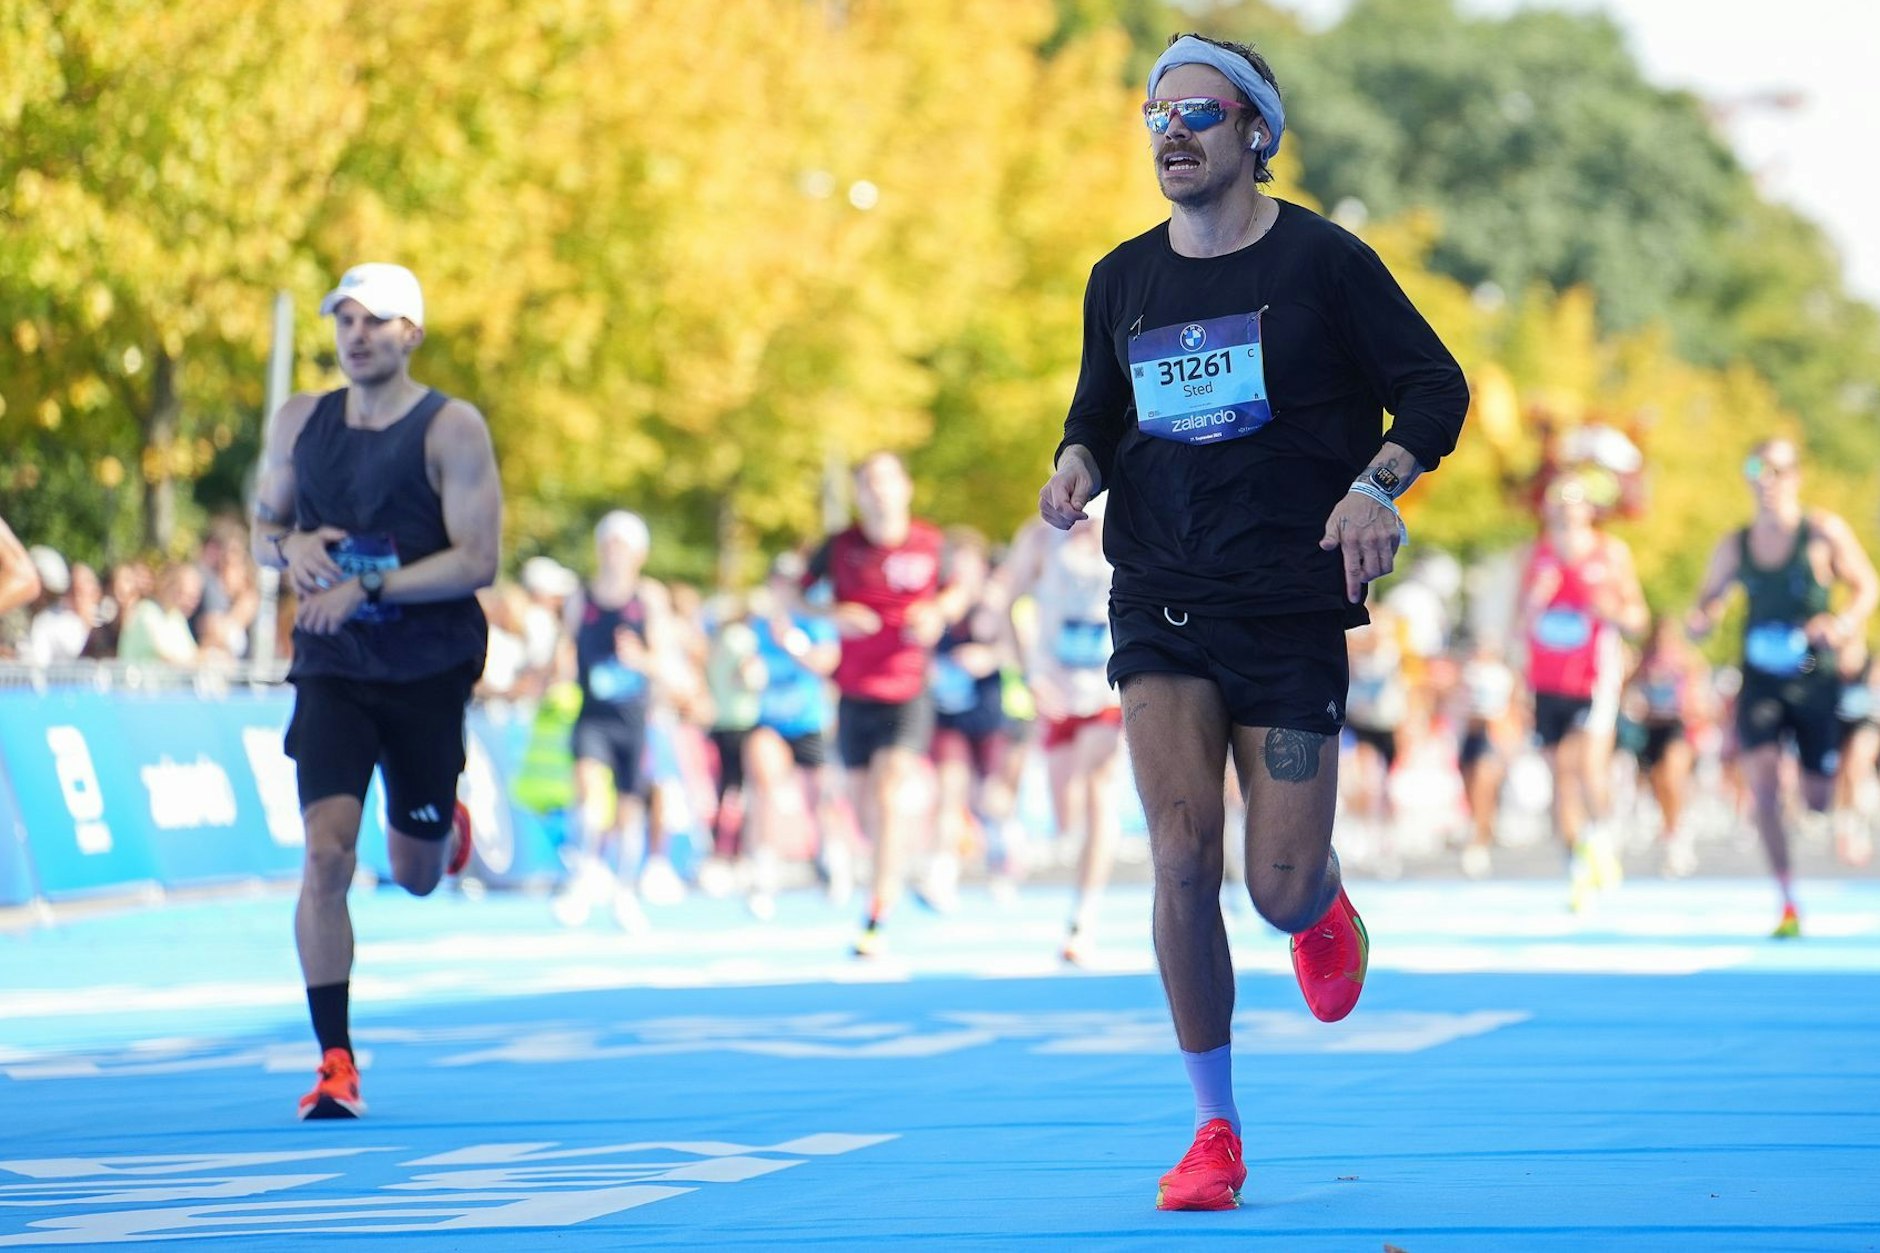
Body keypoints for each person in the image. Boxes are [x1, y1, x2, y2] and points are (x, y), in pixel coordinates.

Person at [1036, 33, 1468, 1212]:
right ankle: (1212, 1129)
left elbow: (1435, 388)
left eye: (1199, 114)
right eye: (1154, 114)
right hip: (1160, 596)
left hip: (1285, 603)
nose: (1171, 134)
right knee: (1178, 855)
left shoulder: (1326, 261)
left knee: (1270, 884)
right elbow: (1094, 409)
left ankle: (1318, 902)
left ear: (1255, 134)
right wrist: (1075, 465)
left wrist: (1373, 485)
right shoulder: (1120, 276)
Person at [249, 262, 499, 1120]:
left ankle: (442, 822)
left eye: (376, 321)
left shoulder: (450, 427)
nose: (357, 335)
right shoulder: (299, 421)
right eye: (345, 320)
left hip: (427, 666)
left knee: (416, 874)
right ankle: (335, 1059)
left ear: (412, 335)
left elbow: (478, 560)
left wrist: (371, 585)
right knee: (326, 851)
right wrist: (293, 550)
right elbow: (262, 529)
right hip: (334, 664)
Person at [1688, 438, 1878, 937]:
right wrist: (1702, 619)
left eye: (1775, 469)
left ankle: (1824, 801)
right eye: (1756, 468)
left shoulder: (1821, 532)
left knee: (1817, 798)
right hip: (1761, 680)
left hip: (1815, 678)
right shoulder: (1736, 543)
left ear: (1796, 475)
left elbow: (1867, 585)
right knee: (1765, 787)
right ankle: (1787, 897)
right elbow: (1707, 598)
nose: (1765, 479)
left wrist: (1842, 622)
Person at [806, 451, 966, 957]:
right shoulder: (838, 548)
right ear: (857, 494)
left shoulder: (929, 543)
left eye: (885, 481)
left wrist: (937, 610)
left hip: (907, 688)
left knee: (890, 783)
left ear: (905, 487)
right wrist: (834, 613)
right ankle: (908, 868)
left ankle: (877, 909)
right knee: (866, 806)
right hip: (854, 692)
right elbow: (788, 594)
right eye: (867, 484)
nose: (877, 491)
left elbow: (961, 589)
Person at [999, 501, 1125, 961]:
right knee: (1064, 814)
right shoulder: (1039, 538)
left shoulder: (1128, 528)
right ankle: (1067, 870)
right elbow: (1005, 604)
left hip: (1108, 689)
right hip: (1054, 689)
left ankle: (1083, 916)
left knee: (1099, 784)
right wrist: (1026, 675)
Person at [1516, 475, 1648, 910]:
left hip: (1594, 677)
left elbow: (1638, 618)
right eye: (1561, 501)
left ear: (1591, 509)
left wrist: (1608, 609)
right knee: (1560, 777)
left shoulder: (1610, 554)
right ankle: (1575, 864)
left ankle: (1602, 838)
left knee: (1584, 766)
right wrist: (1536, 602)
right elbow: (1518, 623)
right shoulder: (1536, 556)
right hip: (1546, 680)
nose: (1569, 509)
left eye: (1577, 501)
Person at [552, 510, 673, 929]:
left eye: (624, 545)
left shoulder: (648, 598)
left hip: (633, 718)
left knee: (629, 807)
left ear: (639, 553)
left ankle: (624, 889)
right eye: (609, 544)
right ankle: (584, 872)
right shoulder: (581, 598)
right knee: (587, 784)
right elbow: (563, 649)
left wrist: (639, 659)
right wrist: (553, 672)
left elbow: (665, 662)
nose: (615, 553)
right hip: (593, 714)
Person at [744, 551, 848, 904]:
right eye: (779, 581)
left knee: (820, 796)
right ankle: (765, 868)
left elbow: (825, 663)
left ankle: (831, 859)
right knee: (765, 785)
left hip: (810, 720)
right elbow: (749, 665)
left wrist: (790, 642)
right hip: (771, 720)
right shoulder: (760, 623)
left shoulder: (814, 621)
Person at [1624, 614, 1709, 877]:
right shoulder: (1645, 660)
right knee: (1659, 783)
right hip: (1652, 727)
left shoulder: (1687, 660)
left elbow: (1700, 692)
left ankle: (1679, 834)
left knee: (1673, 777)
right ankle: (1670, 830)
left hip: (1678, 726)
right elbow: (1626, 685)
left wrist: (1695, 707)